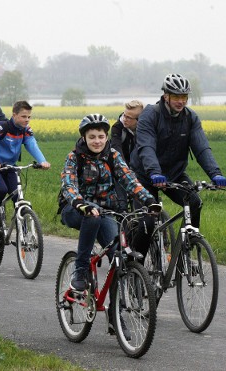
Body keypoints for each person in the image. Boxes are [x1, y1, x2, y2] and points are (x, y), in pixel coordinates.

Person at [60, 114, 160, 338]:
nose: (97, 141)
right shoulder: (74, 157)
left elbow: (129, 179)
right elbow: (68, 185)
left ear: (106, 137)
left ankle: (116, 315)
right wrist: (80, 203)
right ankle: (80, 269)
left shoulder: (112, 155)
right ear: (84, 137)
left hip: (105, 211)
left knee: (119, 257)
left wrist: (148, 200)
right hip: (75, 210)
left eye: (101, 136)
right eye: (92, 136)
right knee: (92, 218)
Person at [129, 74, 226, 257]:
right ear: (166, 95)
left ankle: (184, 251)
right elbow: (147, 147)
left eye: (184, 97)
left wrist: (215, 174)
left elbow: (201, 148)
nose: (181, 101)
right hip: (145, 175)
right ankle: (136, 268)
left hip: (174, 174)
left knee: (194, 202)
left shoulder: (190, 118)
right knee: (148, 222)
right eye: (176, 96)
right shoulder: (151, 115)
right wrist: (154, 172)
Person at [0, 100, 50, 239]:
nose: (27, 120)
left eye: (29, 117)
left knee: (18, 196)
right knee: (1, 190)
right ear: (14, 115)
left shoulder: (25, 130)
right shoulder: (1, 127)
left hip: (10, 167)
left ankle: (24, 234)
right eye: (24, 116)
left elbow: (32, 145)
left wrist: (42, 161)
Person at [110, 99, 144, 210]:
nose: (125, 119)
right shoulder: (118, 127)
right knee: (122, 204)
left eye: (129, 117)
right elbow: (116, 149)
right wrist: (124, 168)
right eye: (125, 115)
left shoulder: (145, 129)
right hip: (119, 164)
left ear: (139, 119)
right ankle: (122, 218)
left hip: (137, 165)